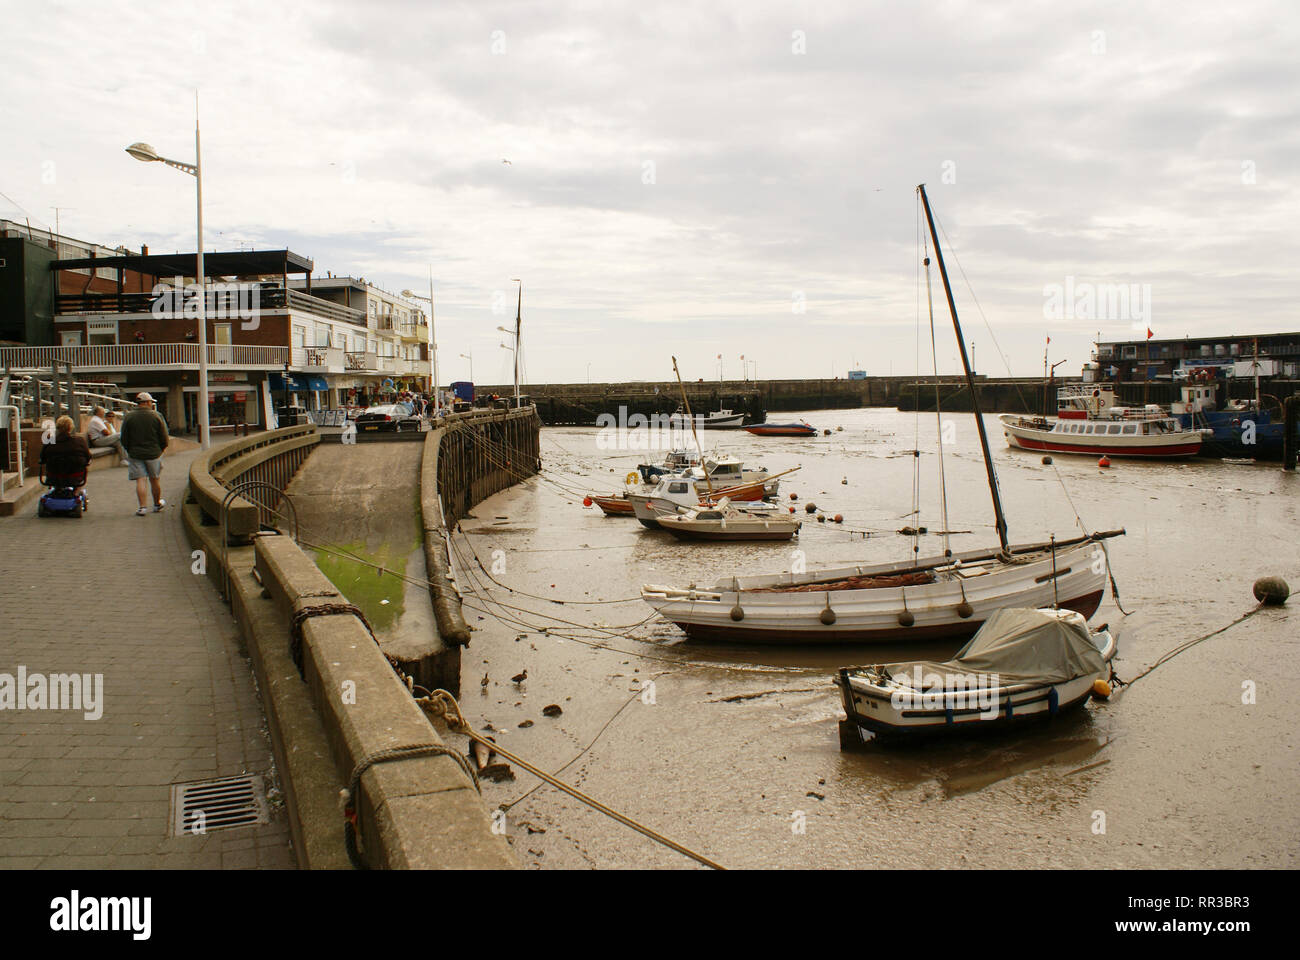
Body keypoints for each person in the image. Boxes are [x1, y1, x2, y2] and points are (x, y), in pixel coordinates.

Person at [120, 392, 170, 516]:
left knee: (140, 480)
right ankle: (157, 504)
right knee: (154, 479)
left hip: (135, 453)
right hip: (154, 453)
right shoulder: (156, 416)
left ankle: (142, 507)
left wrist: (129, 449)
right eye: (151, 402)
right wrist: (161, 449)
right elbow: (164, 436)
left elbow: (124, 437)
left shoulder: (129, 417)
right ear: (147, 402)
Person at [39, 415, 91, 503]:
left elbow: (42, 458)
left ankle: (58, 489)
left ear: (58, 428)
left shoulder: (49, 442)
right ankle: (76, 492)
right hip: (75, 477)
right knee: (85, 464)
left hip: (53, 476)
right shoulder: (79, 441)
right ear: (71, 428)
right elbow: (88, 457)